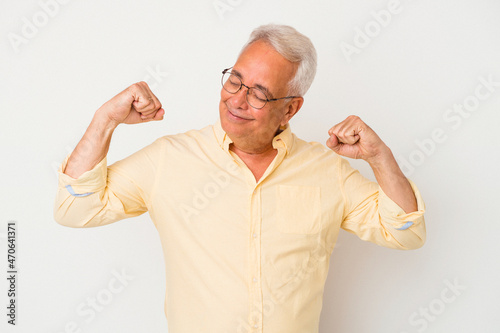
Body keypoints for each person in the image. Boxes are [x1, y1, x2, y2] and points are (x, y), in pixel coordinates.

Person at [54, 24, 425, 333]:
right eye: (235, 80)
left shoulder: (326, 171)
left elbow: (405, 232)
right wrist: (106, 120)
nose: (238, 100)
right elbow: (74, 208)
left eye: (260, 93)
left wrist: (380, 157)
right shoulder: (169, 159)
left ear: (290, 109)